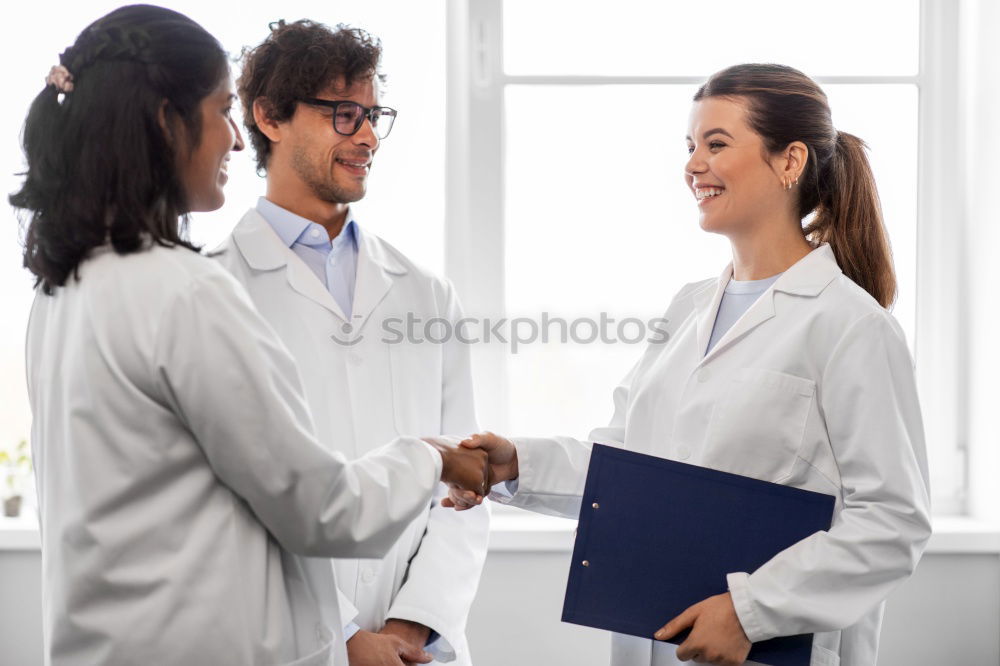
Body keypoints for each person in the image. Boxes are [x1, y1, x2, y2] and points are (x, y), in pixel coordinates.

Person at [12, 6, 487, 666]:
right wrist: (433, 457)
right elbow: (319, 507)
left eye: (373, 116)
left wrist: (414, 624)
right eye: (220, 110)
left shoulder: (61, 287)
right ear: (165, 122)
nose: (233, 139)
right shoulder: (192, 289)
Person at [445, 64, 932, 666]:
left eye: (717, 144)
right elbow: (632, 473)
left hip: (772, 648)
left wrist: (751, 609)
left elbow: (892, 522)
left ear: (790, 161)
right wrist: (516, 464)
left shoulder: (852, 327)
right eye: (691, 146)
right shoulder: (689, 306)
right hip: (653, 634)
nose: (693, 164)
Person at [214, 20, 489, 666]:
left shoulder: (425, 293)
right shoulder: (215, 288)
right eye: (344, 115)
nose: (367, 136)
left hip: (418, 651)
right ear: (270, 118)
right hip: (288, 643)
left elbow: (466, 486)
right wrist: (340, 638)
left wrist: (411, 626)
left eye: (373, 115)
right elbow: (233, 498)